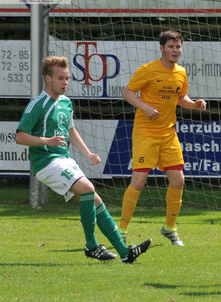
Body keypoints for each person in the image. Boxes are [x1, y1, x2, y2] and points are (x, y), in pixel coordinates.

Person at [15, 56, 151, 263]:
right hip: (45, 162)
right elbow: (20, 136)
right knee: (88, 189)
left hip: (63, 159)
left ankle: (125, 253)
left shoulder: (66, 103)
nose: (65, 83)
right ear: (48, 78)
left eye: (67, 78)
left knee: (95, 200)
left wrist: (88, 153)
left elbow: (70, 130)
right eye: (60, 78)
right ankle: (91, 246)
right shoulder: (38, 105)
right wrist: (47, 141)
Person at [118, 30, 207, 246]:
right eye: (171, 47)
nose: (175, 51)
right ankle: (121, 230)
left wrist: (194, 104)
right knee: (138, 182)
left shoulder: (181, 73)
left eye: (178, 47)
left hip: (168, 133)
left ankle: (169, 228)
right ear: (161, 48)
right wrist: (145, 107)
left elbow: (180, 98)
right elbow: (127, 92)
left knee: (179, 181)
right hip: (145, 133)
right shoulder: (148, 70)